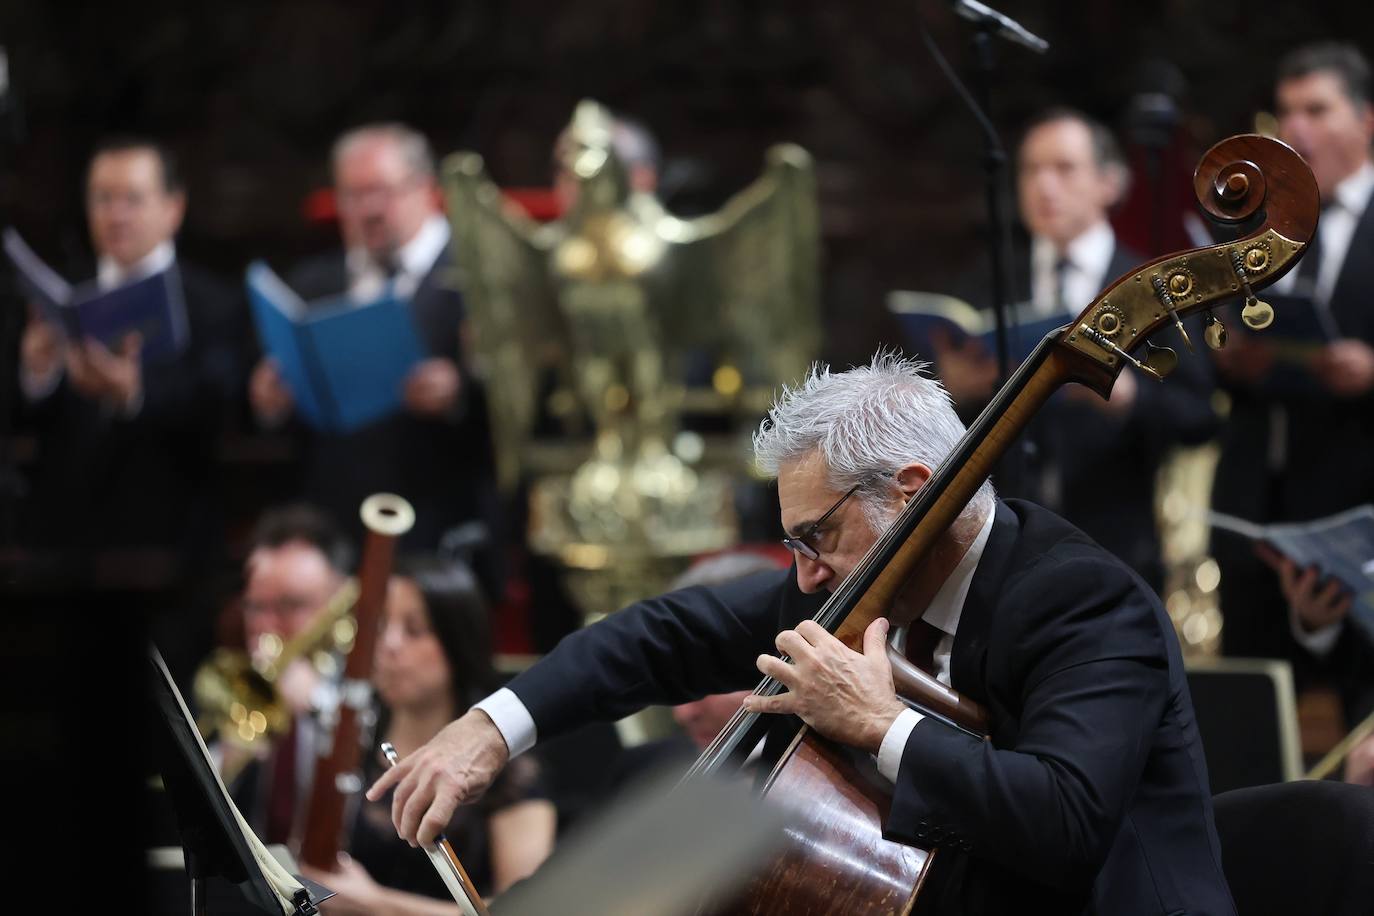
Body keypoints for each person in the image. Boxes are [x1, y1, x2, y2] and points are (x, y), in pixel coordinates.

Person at [371, 354, 1235, 915]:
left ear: (910, 491)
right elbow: (661, 635)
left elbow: (1067, 822)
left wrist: (881, 725)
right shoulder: (846, 585)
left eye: (815, 535)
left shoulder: (1081, 599)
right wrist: (489, 730)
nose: (806, 576)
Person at [933, 108, 1216, 591]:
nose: (1044, 186)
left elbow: (1199, 416)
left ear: (1110, 183)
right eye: (1031, 170)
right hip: (999, 545)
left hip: (1115, 541)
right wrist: (951, 390)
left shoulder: (1153, 286)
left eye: (1064, 169)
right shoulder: (988, 282)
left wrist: (1127, 398)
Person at [247, 123, 498, 578]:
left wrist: (459, 390)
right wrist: (271, 399)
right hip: (336, 529)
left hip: (443, 521)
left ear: (426, 187)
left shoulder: (483, 277)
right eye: (353, 195)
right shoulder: (310, 285)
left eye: (382, 192)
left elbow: (525, 400)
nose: (370, 210)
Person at [1211, 42, 1374, 732]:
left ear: (1366, 120)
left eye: (1317, 109)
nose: (1296, 127)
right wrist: (1232, 356)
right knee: (1251, 719)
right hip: (1254, 507)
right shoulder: (1262, 226)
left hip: (1353, 509)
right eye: (1286, 111)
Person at [15, 137, 244, 585]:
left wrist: (134, 394)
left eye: (133, 200)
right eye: (103, 199)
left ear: (173, 208)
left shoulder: (215, 301)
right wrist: (37, 372)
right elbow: (29, 422)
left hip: (173, 551)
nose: (116, 215)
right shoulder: (60, 295)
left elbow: (220, 408)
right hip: (63, 554)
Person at [301, 559, 554, 911]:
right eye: (380, 624)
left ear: (458, 642)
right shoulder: (348, 744)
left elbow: (529, 909)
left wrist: (377, 906)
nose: (388, 644)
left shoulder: (512, 772)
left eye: (415, 629)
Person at [218, 504, 354, 843]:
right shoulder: (233, 678)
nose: (266, 627)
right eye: (255, 606)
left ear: (340, 601)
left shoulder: (378, 680)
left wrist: (319, 705)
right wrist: (230, 754)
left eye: (290, 605)